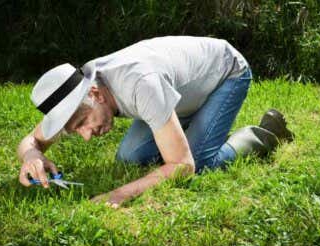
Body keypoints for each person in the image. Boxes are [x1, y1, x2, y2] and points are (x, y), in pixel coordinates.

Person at [17, 36, 293, 207]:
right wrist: (32, 155)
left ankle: (267, 133)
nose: (87, 135)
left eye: (83, 123)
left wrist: (120, 194)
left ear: (95, 93)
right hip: (177, 94)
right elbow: (31, 140)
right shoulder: (76, 90)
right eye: (76, 130)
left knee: (199, 163)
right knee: (130, 157)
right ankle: (192, 129)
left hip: (225, 73)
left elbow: (182, 166)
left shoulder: (139, 85)